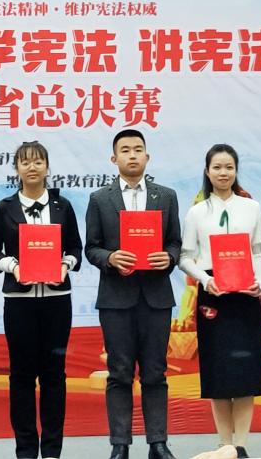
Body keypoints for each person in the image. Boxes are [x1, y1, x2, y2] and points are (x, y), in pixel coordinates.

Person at [85, 129, 182, 459]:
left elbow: (175, 242)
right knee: (119, 373)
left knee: (155, 372)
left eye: (138, 149)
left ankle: (158, 443)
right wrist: (111, 258)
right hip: (116, 299)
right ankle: (120, 445)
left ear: (147, 157)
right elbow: (91, 248)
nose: (132, 155)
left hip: (156, 298)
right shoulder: (100, 199)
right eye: (125, 150)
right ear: (114, 158)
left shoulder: (166, 196)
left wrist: (169, 257)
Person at [0, 141, 83, 459]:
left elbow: (75, 248)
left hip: (57, 302)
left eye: (38, 161)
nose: (32, 167)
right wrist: (14, 267)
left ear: (47, 167)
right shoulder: (5, 208)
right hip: (19, 303)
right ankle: (26, 449)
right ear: (16, 169)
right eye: (25, 162)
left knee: (54, 375)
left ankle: (52, 450)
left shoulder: (62, 206)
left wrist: (64, 266)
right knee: (22, 375)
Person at [179, 144, 261, 459]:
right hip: (213, 293)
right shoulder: (196, 212)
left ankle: (241, 445)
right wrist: (205, 280)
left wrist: (260, 282)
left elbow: (259, 251)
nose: (223, 173)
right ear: (207, 171)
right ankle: (224, 443)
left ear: (236, 170)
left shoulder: (252, 207)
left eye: (229, 167)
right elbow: (185, 258)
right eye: (217, 167)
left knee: (245, 371)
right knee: (218, 371)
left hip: (245, 295)